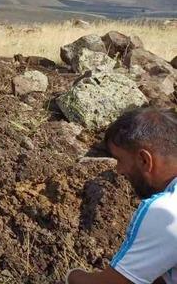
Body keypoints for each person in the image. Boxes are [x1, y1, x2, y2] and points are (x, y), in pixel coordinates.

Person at [67, 107, 177, 284]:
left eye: (120, 159)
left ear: (144, 160)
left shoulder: (164, 210)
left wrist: (71, 275)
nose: (118, 170)